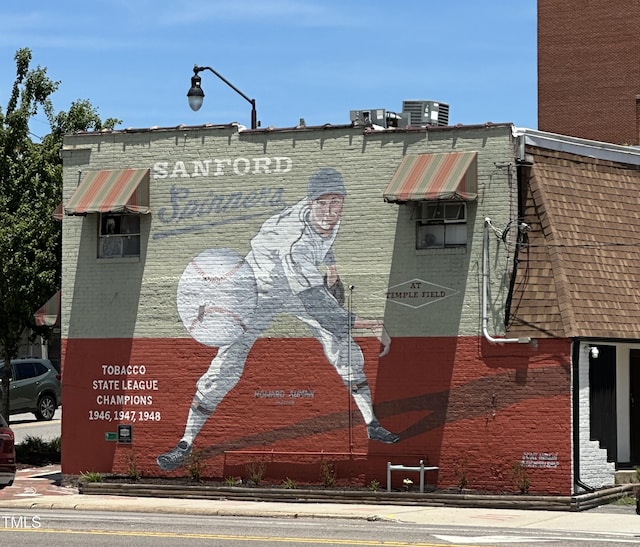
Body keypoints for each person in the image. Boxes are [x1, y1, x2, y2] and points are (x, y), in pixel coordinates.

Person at [157, 167, 399, 472]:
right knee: (227, 365)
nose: (329, 210)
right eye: (322, 203)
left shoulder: (324, 218)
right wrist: (374, 325)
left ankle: (371, 423)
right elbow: (323, 310)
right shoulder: (295, 242)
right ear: (310, 203)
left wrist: (332, 269)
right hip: (260, 289)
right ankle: (185, 443)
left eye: (336, 202)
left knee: (343, 348)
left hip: (296, 288)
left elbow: (325, 243)